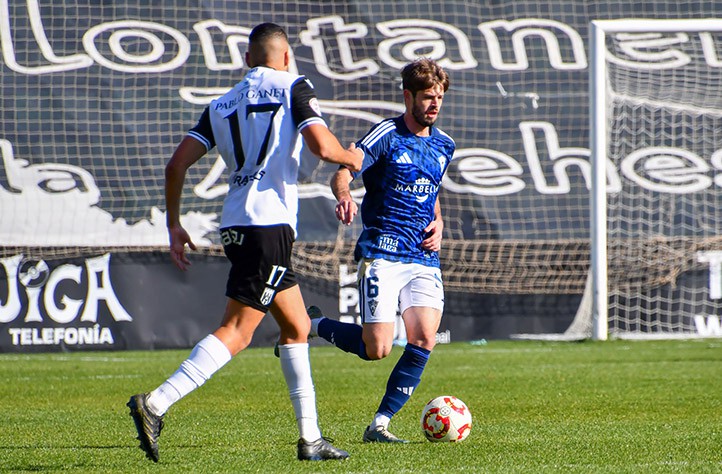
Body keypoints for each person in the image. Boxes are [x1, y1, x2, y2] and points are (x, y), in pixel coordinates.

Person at [126, 22, 362, 463]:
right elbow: (323, 146)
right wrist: (352, 157)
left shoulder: (221, 103)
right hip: (268, 226)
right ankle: (155, 403)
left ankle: (311, 440)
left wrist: (174, 223)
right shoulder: (294, 85)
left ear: (248, 59)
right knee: (238, 330)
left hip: (236, 224)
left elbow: (176, 165)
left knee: (297, 327)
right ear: (287, 57)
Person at [307, 58, 454, 443]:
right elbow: (343, 171)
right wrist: (344, 196)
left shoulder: (444, 145)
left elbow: (431, 192)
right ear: (408, 97)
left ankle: (380, 424)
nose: (434, 104)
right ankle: (314, 325)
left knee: (423, 339)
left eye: (439, 97)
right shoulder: (385, 134)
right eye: (427, 97)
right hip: (383, 254)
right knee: (378, 349)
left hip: (423, 256)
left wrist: (438, 222)